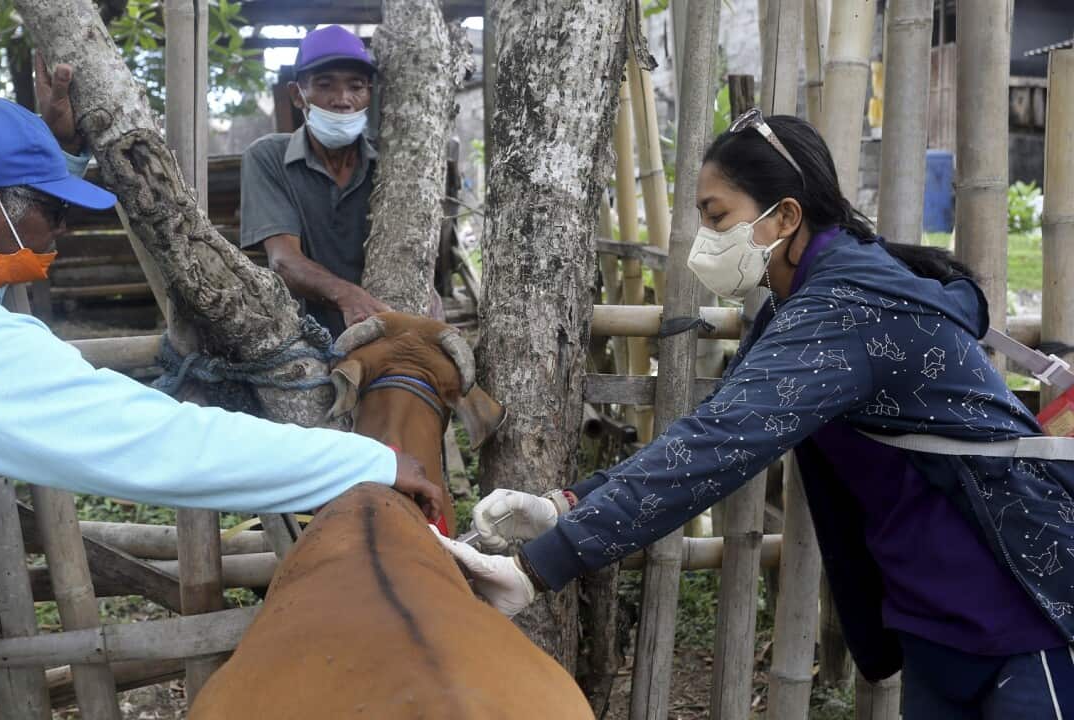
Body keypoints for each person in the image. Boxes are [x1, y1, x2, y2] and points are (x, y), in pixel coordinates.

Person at [0, 65, 440, 719]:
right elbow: (164, 444)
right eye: (54, 211)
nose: (62, 231)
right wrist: (367, 461)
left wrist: (49, 152)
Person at [440, 110, 1074, 719]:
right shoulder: (796, 306)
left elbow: (718, 445)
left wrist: (538, 567)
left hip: (1021, 599)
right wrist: (566, 505)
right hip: (931, 615)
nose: (705, 238)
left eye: (717, 216)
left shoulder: (845, 306)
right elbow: (711, 424)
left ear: (785, 216)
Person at [239, 25, 392, 338]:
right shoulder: (269, 157)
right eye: (325, 85)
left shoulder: (390, 162)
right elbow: (283, 261)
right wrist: (348, 296)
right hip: (302, 339)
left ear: (369, 94)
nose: (342, 99)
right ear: (297, 95)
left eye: (356, 86)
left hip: (383, 332)